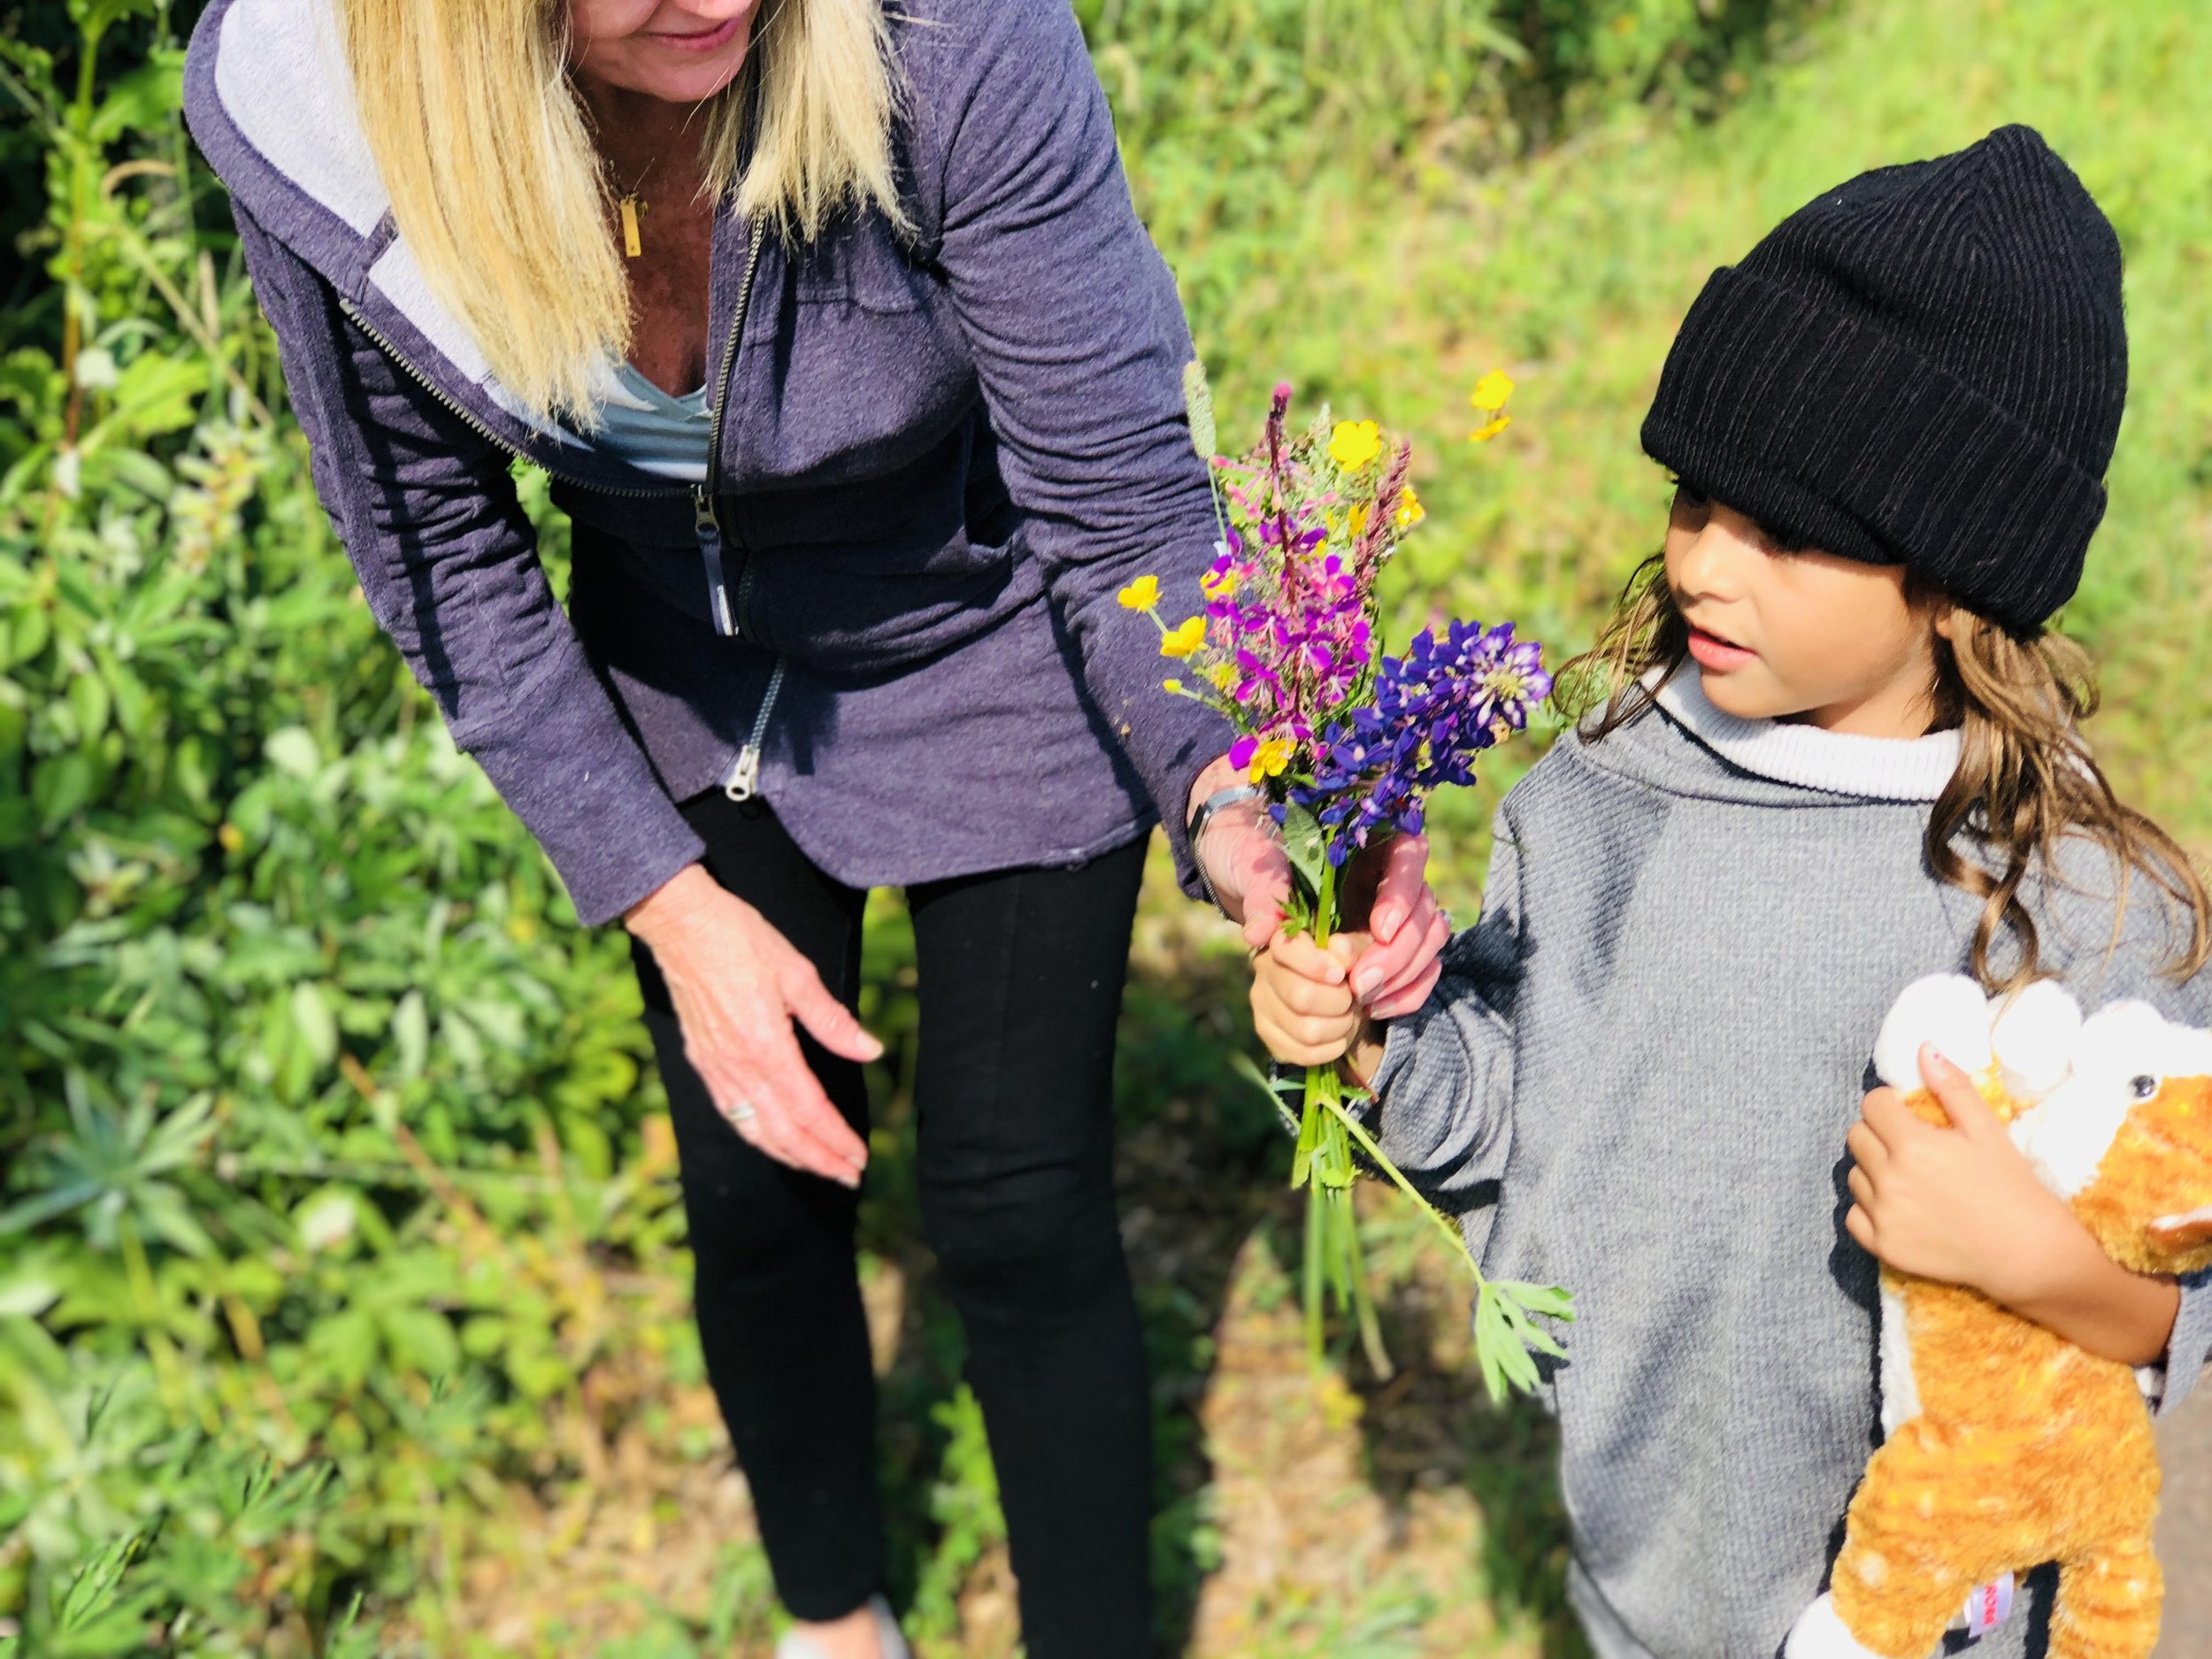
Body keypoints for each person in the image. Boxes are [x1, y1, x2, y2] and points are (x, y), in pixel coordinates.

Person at [180, 2, 1452, 1655]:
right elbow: (442, 562)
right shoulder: (322, 109)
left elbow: (1120, 494)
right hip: (684, 675)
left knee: (1019, 1206)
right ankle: (832, 1618)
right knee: (760, 1199)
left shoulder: (951, 35)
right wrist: (664, 900)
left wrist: (1226, 785)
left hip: (991, 627)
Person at [1245, 125, 2212, 1659]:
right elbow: (1519, 1135)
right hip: (1645, 1582)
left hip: (1939, 1611)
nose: (1703, 563)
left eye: (1784, 534)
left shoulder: (2081, 904)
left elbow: (2189, 1289)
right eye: (1699, 499)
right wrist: (1371, 1035)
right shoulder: (1603, 799)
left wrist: (2035, 1261)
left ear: (1956, 585)